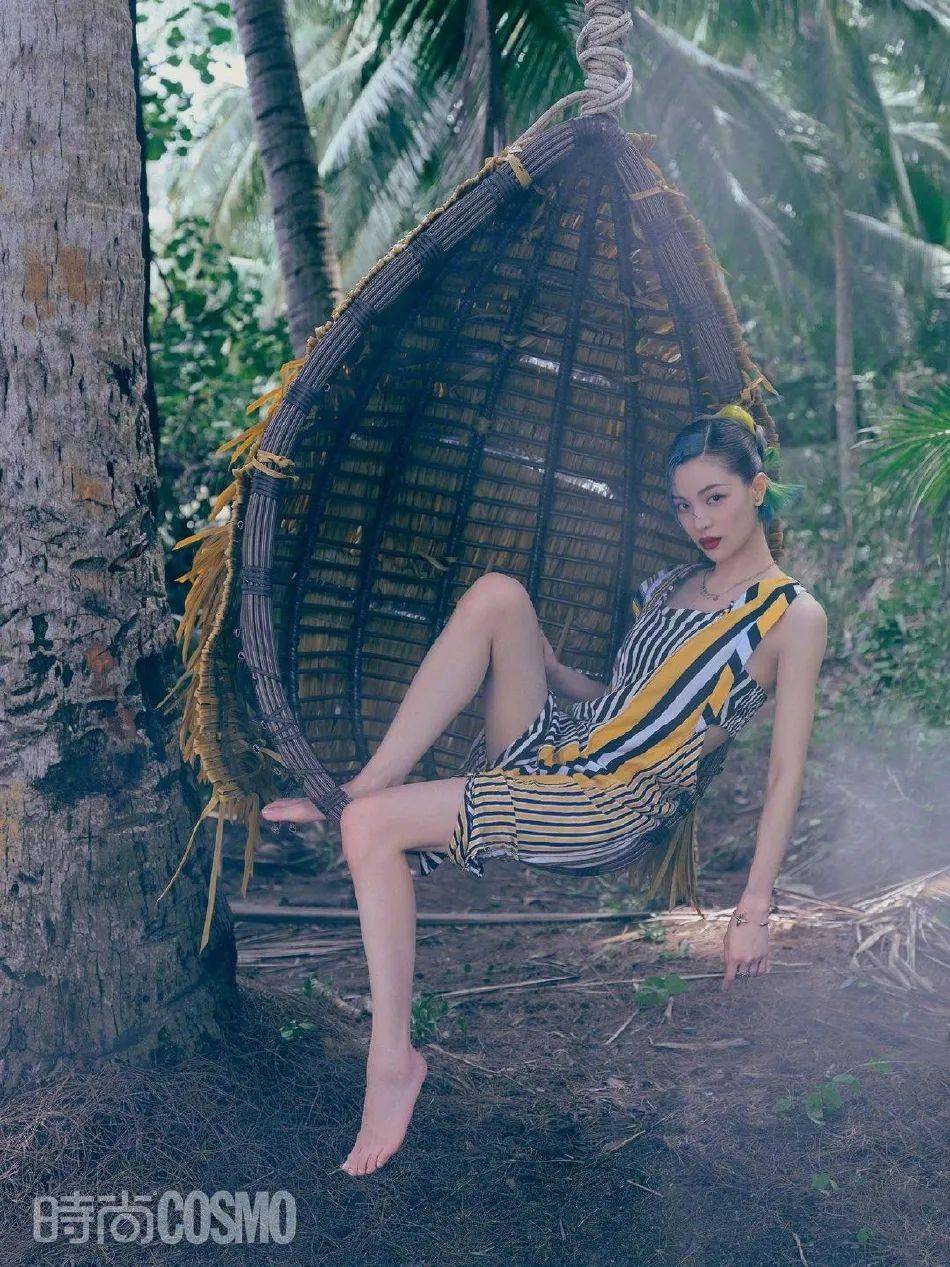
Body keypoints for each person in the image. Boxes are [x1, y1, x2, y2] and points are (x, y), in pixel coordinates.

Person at [260, 403, 828, 1177]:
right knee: (499, 595)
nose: (700, 519)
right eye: (683, 504)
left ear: (758, 488)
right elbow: (627, 696)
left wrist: (753, 908)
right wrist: (553, 673)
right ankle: (366, 782)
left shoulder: (791, 616)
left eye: (717, 497)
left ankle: (391, 1059)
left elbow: (785, 768)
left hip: (612, 802)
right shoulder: (668, 585)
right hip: (563, 744)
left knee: (368, 829)